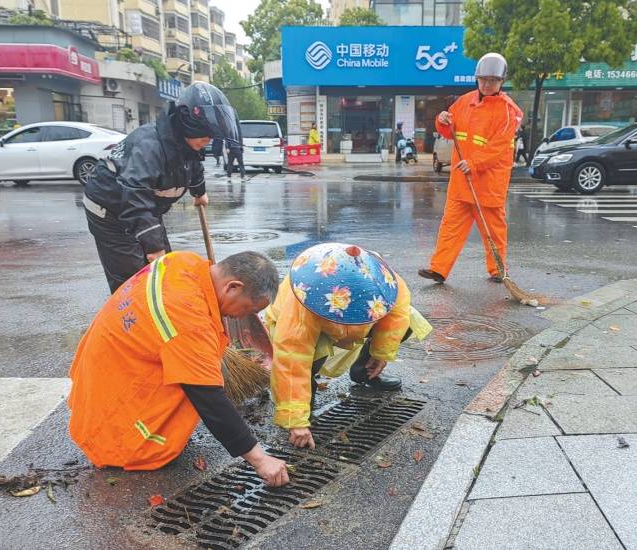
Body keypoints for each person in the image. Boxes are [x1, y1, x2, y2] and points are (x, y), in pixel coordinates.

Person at [68, 249, 290, 486]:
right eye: (249, 309)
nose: (242, 316)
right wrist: (260, 460)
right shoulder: (188, 319)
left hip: (101, 371)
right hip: (112, 419)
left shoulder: (183, 261)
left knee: (201, 366)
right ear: (232, 287)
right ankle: (127, 440)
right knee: (196, 379)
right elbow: (208, 397)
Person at [266, 243, 432, 449]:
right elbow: (292, 358)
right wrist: (295, 418)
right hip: (303, 328)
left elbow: (396, 317)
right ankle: (304, 394)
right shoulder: (304, 299)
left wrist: (380, 353)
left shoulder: (385, 281)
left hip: (345, 330)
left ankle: (364, 371)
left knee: (410, 319)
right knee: (306, 362)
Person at [83, 81, 240, 294]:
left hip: (145, 207)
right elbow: (135, 196)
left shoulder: (186, 143)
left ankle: (161, 306)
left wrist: (199, 192)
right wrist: (153, 248)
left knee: (163, 271)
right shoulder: (149, 146)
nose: (209, 140)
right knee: (134, 280)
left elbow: (193, 165)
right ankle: (132, 312)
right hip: (111, 211)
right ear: (187, 121)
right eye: (206, 135)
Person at [418, 53, 523, 285]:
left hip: (488, 182)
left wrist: (475, 163)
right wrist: (441, 120)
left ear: (501, 81)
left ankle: (498, 270)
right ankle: (439, 269)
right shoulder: (464, 102)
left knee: (493, 230)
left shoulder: (508, 111)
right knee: (450, 227)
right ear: (477, 78)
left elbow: (499, 147)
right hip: (462, 181)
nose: (487, 85)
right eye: (483, 79)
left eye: (492, 80)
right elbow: (450, 132)